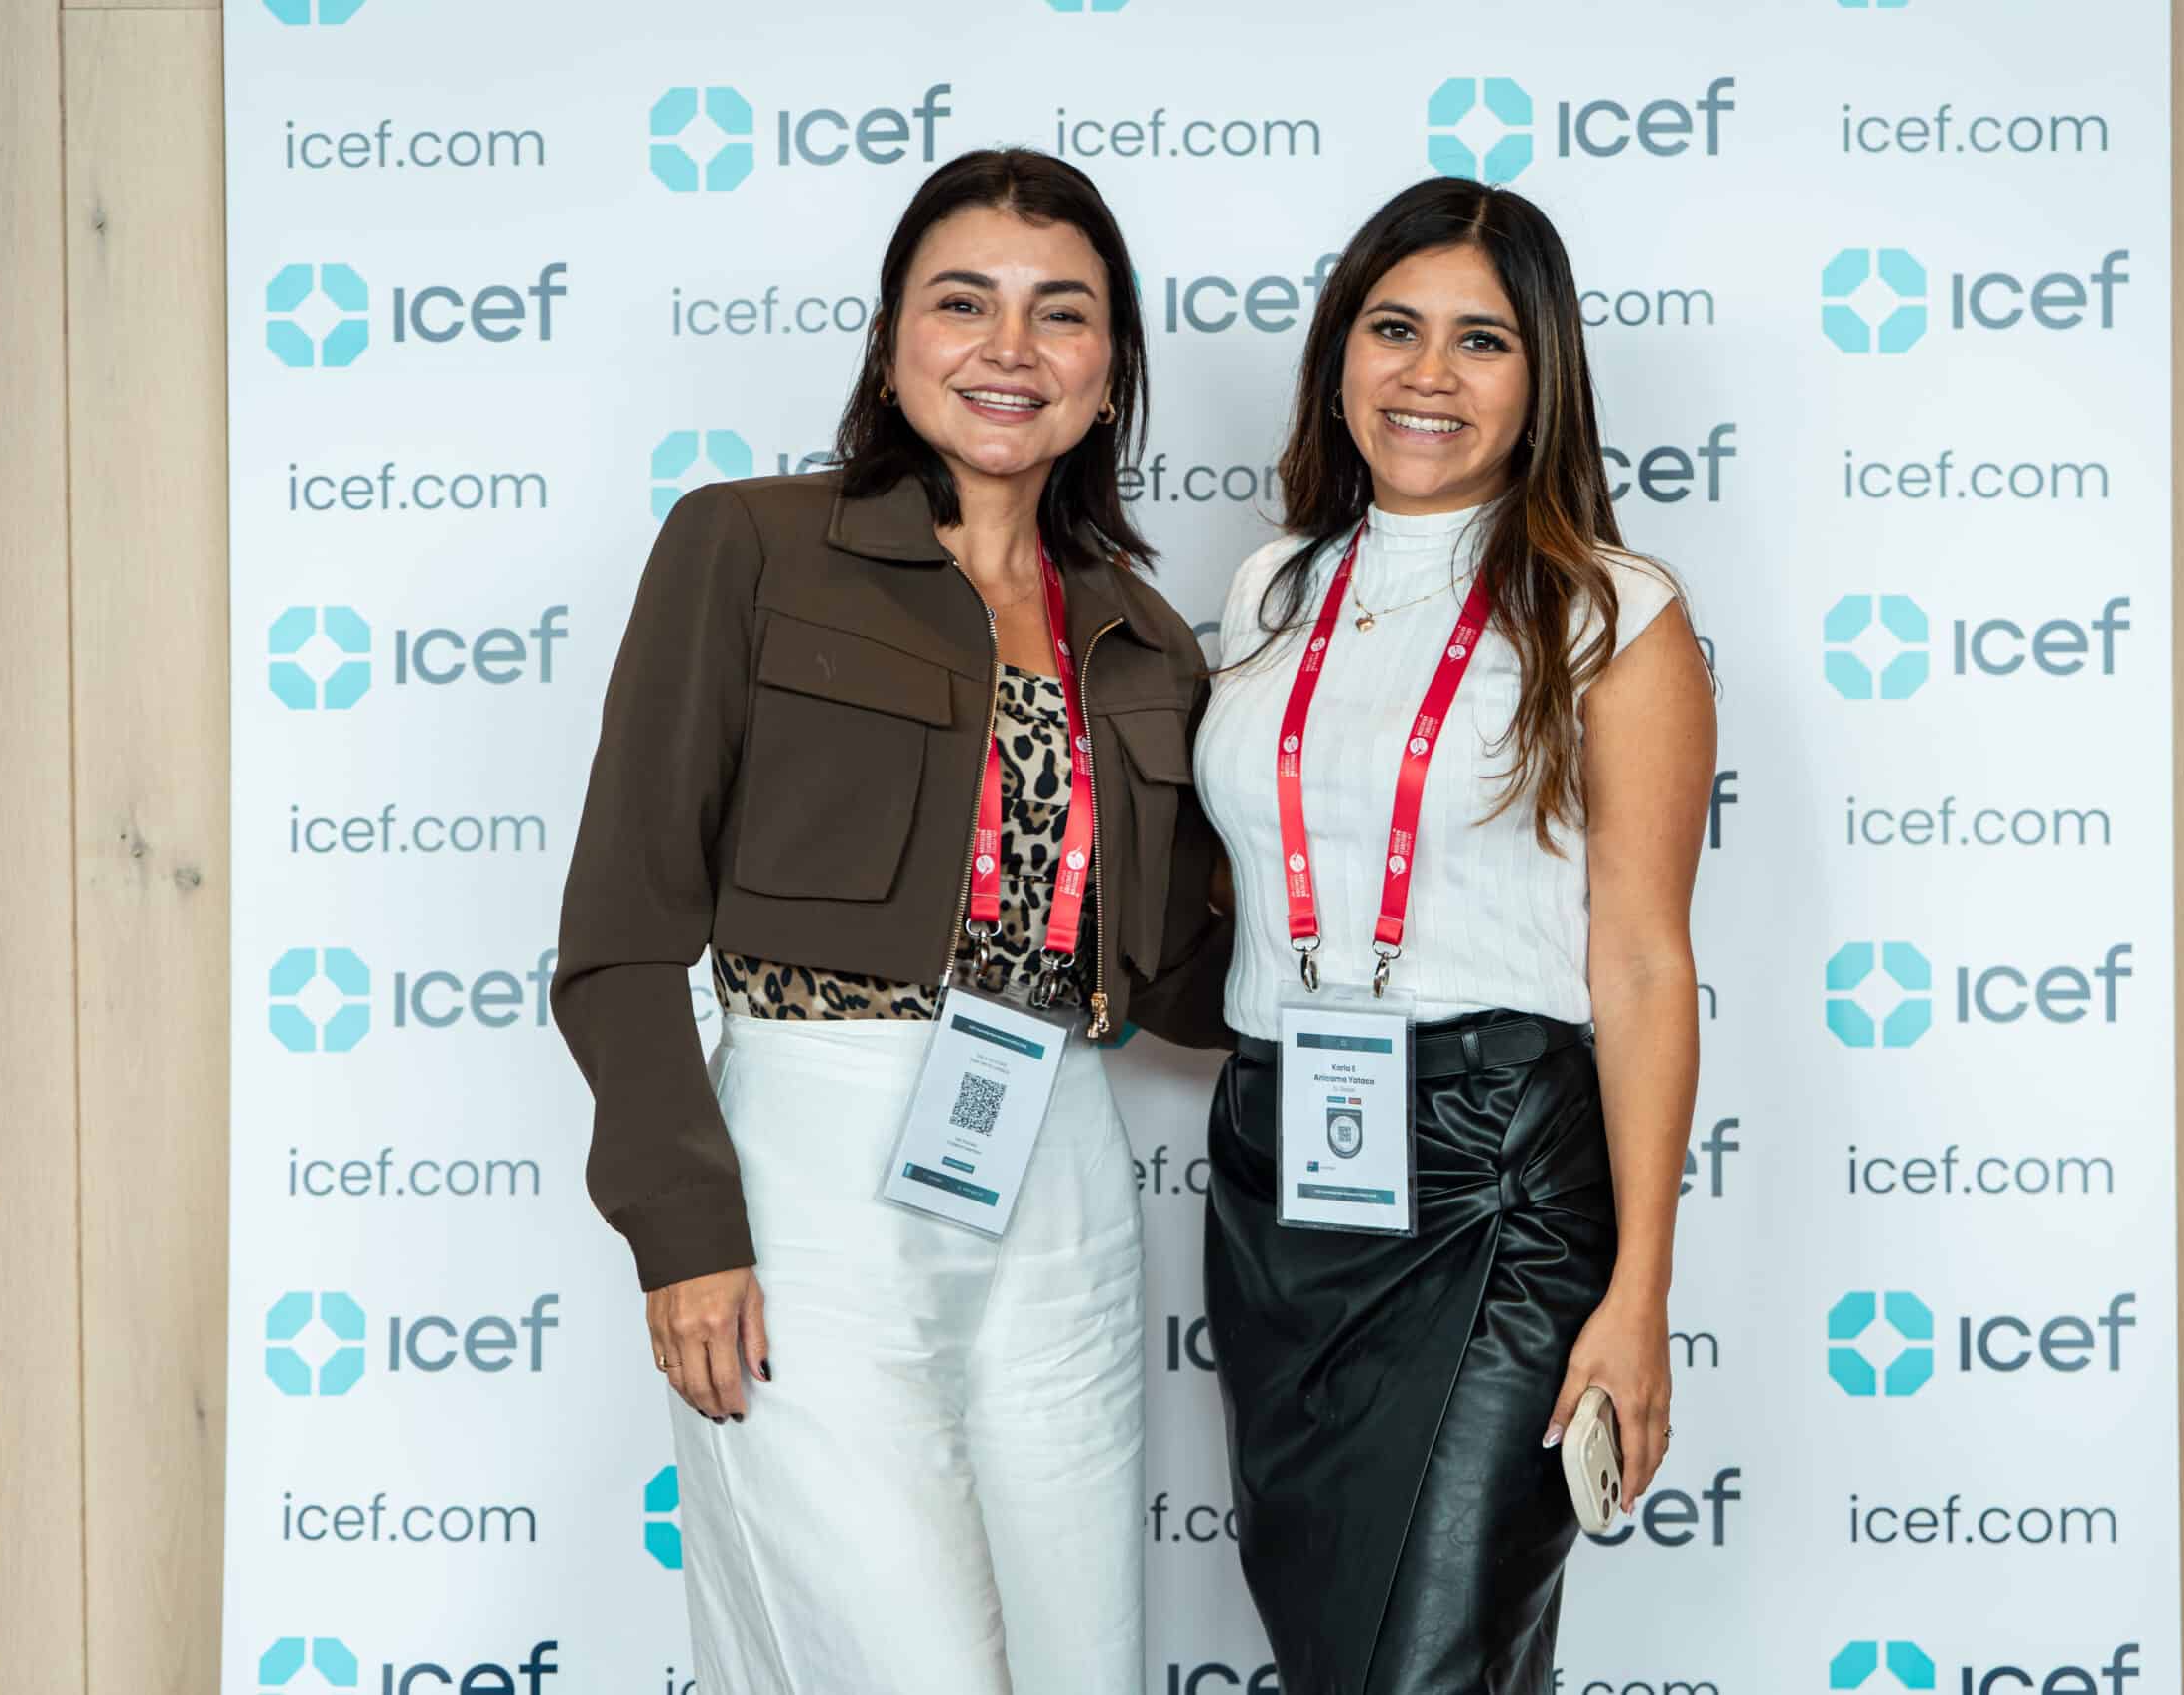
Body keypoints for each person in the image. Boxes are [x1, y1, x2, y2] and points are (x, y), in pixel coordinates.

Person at [551, 147, 1229, 1695]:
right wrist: (684, 1231)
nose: (1011, 348)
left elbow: (1181, 979)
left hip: (1059, 1158)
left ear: (1110, 370)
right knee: (900, 1661)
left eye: (1062, 312)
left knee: (1080, 1661)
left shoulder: (1142, 633)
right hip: (813, 1163)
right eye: (963, 302)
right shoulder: (747, 545)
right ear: (891, 337)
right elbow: (620, 933)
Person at [1192, 176, 1716, 1694]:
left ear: (1543, 381)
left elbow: (1643, 964)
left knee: (1422, 1667)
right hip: (1280, 1172)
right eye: (1394, 328)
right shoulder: (1274, 587)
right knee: (1343, 1658)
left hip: (1501, 1182)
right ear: (1338, 357)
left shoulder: (1613, 611)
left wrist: (1640, 1295)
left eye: (1482, 340)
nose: (1429, 373)